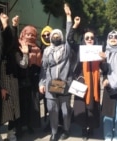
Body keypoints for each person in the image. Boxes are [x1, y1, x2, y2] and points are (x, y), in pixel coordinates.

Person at [67, 16, 105, 140]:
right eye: (87, 37)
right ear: (84, 39)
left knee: (93, 106)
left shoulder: (99, 51)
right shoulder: (79, 49)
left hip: (94, 83)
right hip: (82, 82)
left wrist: (104, 59)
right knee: (81, 106)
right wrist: (75, 26)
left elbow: (104, 68)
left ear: (95, 39)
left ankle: (92, 127)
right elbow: (69, 39)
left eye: (92, 38)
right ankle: (84, 129)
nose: (89, 39)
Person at [39, 4, 72, 141]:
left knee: (65, 111)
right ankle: (54, 132)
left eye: (58, 35)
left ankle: (66, 129)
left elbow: (70, 34)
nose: (56, 37)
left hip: (64, 84)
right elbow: (44, 68)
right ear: (51, 37)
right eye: (54, 35)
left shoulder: (66, 48)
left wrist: (68, 16)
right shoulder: (47, 51)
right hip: (50, 85)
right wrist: (41, 83)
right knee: (52, 110)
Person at [0, 13, 29, 141]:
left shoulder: (14, 53)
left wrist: (25, 54)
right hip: (1, 85)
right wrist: (0, 87)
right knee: (1, 111)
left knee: (13, 109)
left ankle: (11, 133)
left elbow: (23, 64)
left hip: (14, 82)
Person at [16, 25, 42, 138]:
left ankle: (29, 125)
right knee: (21, 105)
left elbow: (39, 65)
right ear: (23, 34)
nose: (30, 36)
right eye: (28, 34)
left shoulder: (37, 48)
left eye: (32, 35)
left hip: (32, 81)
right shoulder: (18, 46)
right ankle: (20, 127)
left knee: (31, 105)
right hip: (20, 81)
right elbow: (20, 64)